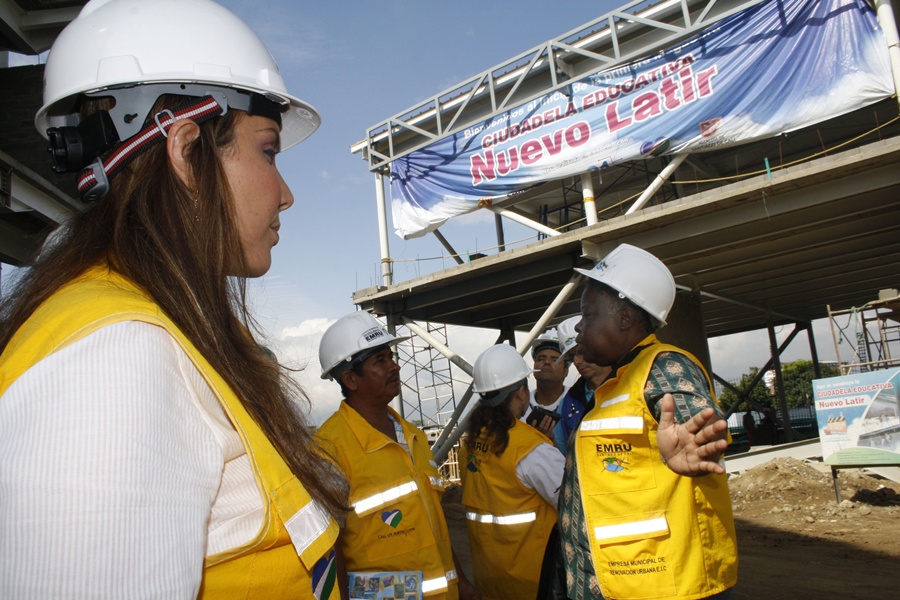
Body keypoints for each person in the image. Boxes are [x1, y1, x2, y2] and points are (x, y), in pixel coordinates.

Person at [0, 1, 348, 597]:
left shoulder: (159, 332)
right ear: (187, 150)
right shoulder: (112, 359)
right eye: (268, 152)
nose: (286, 193)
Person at [558, 244, 737, 599]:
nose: (578, 325)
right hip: (622, 581)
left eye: (588, 314)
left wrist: (698, 443)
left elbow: (695, 417)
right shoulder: (615, 383)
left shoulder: (664, 365)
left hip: (664, 585)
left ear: (624, 319)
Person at [316, 312, 479, 600]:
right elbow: (328, 545)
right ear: (350, 379)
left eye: (390, 357)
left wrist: (462, 581)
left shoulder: (413, 436)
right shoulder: (329, 448)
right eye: (380, 361)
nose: (394, 366)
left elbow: (433, 521)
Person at [461, 344, 564, 600]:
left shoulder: (470, 444)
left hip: (490, 580)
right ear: (520, 392)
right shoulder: (532, 449)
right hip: (534, 582)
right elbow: (572, 503)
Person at [554, 316, 612, 454]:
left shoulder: (635, 384)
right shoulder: (567, 404)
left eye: (581, 352)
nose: (577, 361)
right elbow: (564, 456)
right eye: (571, 356)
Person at [522, 328, 570, 444]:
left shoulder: (578, 403)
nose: (547, 362)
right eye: (541, 358)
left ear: (566, 371)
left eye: (555, 359)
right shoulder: (520, 406)